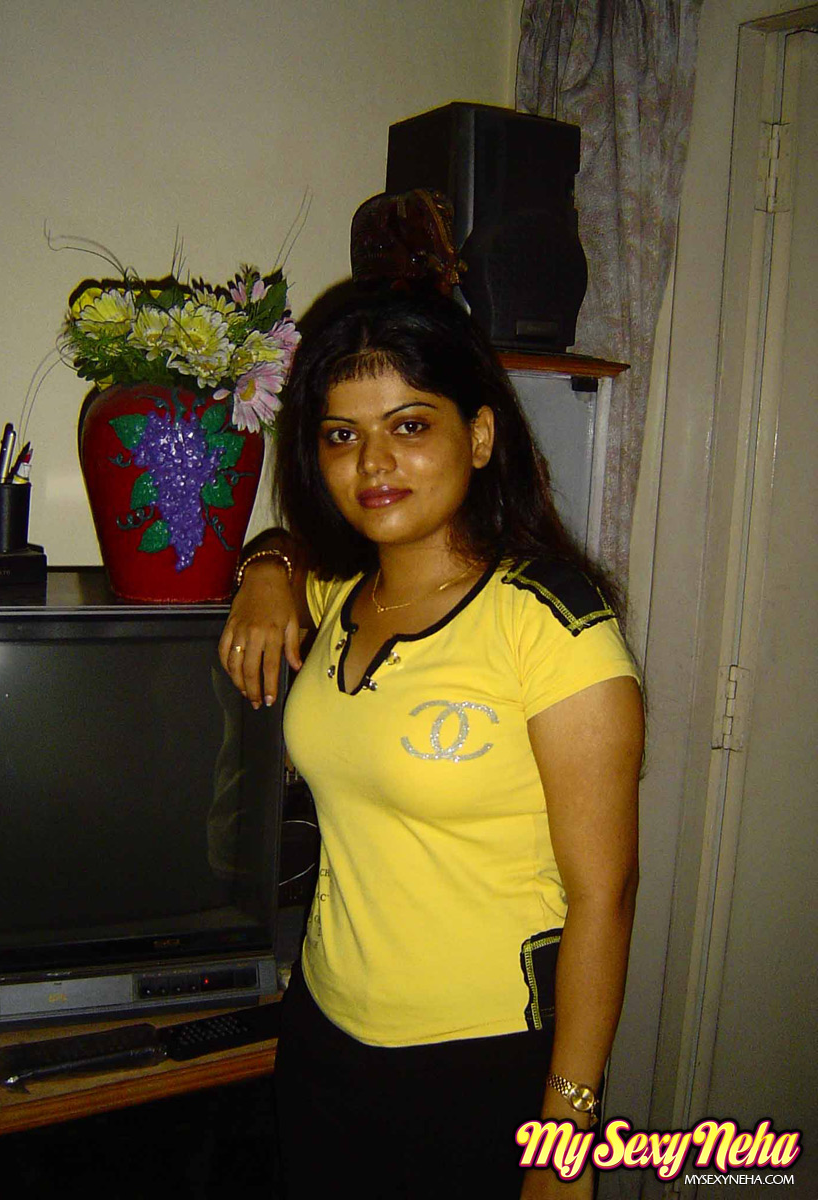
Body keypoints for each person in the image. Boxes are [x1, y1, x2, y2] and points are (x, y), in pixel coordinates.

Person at [219, 288, 643, 1199]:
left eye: (409, 426)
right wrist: (267, 565)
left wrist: (567, 1128)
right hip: (323, 1032)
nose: (373, 462)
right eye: (341, 435)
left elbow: (603, 899)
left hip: (480, 1063)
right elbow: (290, 549)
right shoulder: (341, 595)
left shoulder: (551, 625)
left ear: (480, 437)